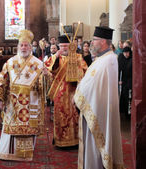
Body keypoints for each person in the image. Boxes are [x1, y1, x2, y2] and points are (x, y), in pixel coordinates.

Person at [0, 30, 47, 161]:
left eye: (26, 45)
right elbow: (2, 79)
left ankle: (25, 153)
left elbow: (45, 85)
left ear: (30, 47)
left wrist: (45, 77)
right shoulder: (10, 62)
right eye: (21, 45)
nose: (24, 48)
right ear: (18, 47)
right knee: (11, 125)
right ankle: (7, 152)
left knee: (28, 126)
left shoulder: (38, 64)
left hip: (32, 100)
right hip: (13, 101)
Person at [74, 26, 124, 169]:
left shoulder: (108, 60)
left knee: (95, 147)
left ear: (102, 42)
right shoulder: (104, 59)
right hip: (95, 107)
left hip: (98, 111)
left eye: (94, 40)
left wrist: (77, 96)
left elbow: (92, 85)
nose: (91, 44)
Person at [44, 35, 87, 148]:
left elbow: (85, 72)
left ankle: (76, 141)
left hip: (74, 92)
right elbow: (49, 70)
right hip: (60, 93)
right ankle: (60, 141)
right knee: (60, 116)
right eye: (62, 46)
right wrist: (56, 58)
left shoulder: (78, 57)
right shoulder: (56, 57)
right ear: (58, 46)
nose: (64, 48)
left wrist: (77, 72)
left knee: (75, 116)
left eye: (66, 46)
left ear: (71, 46)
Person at [119, 47, 132, 119]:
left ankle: (129, 114)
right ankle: (124, 113)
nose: (126, 54)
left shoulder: (132, 59)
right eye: (124, 53)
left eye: (127, 52)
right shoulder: (122, 59)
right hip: (124, 81)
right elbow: (120, 70)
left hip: (130, 82)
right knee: (124, 97)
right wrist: (119, 80)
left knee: (129, 98)